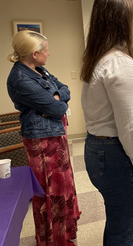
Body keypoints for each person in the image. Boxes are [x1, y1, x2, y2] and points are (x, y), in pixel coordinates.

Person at [81, 0, 133, 246]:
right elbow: (132, 130)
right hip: (119, 154)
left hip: (100, 149)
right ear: (122, 23)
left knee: (117, 219)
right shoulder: (120, 64)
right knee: (124, 231)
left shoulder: (101, 58)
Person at [7, 30, 80, 246]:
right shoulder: (19, 78)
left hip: (55, 135)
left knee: (63, 188)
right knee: (49, 193)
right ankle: (52, 240)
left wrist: (58, 96)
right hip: (41, 141)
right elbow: (57, 108)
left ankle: (65, 233)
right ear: (33, 53)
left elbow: (65, 89)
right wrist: (57, 100)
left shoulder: (39, 70)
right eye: (45, 50)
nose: (48, 53)